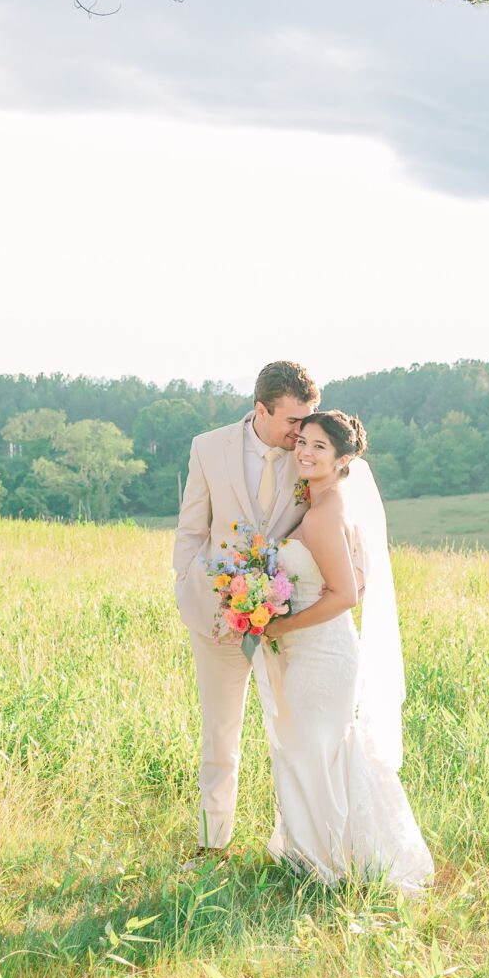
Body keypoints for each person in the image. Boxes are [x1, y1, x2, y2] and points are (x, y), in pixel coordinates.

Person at [252, 410, 434, 892]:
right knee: (314, 751)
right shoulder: (319, 504)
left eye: (319, 447)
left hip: (322, 655)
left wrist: (281, 623)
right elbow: (355, 575)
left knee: (317, 752)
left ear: (343, 459)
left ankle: (333, 865)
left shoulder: (327, 509)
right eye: (303, 442)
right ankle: (320, 856)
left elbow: (345, 596)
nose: (305, 453)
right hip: (307, 651)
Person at [172, 361, 319, 858]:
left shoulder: (310, 454)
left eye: (308, 420)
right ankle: (213, 846)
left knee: (292, 736)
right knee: (220, 736)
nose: (302, 433)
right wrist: (187, 583)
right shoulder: (207, 447)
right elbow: (192, 526)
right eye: (293, 422)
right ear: (261, 409)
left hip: (287, 619)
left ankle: (296, 847)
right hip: (215, 617)